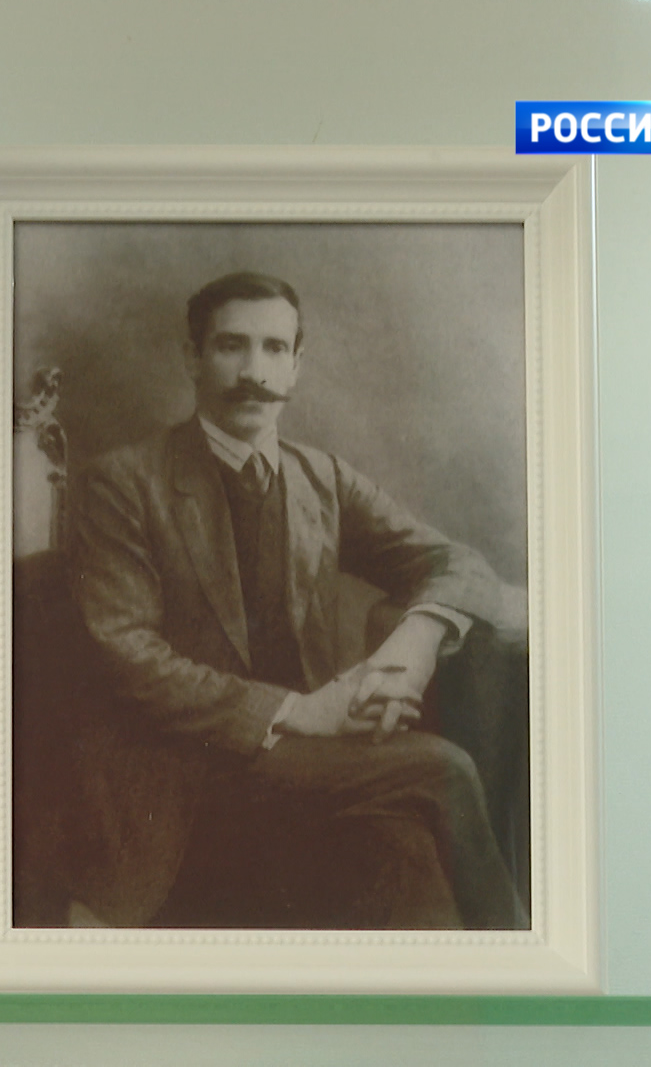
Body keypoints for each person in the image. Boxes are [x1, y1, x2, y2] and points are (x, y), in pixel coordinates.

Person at [67, 271, 528, 930]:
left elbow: (456, 563)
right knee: (444, 769)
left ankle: (489, 970)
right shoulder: (125, 483)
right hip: (185, 773)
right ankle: (523, 964)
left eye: (274, 349)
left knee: (412, 857)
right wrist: (300, 711)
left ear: (296, 365)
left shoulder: (320, 477)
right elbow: (128, 658)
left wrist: (414, 644)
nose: (254, 372)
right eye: (232, 346)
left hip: (316, 762)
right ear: (193, 357)